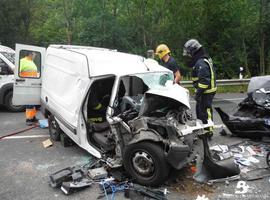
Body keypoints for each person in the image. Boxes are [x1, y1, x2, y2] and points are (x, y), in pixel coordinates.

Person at [183, 39, 216, 138]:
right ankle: (204, 129)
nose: (188, 54)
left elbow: (204, 80)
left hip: (206, 91)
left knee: (206, 111)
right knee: (201, 111)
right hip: (204, 91)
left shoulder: (201, 62)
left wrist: (198, 93)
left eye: (189, 52)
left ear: (193, 50)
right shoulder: (200, 59)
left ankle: (209, 131)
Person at [19, 51, 39, 126]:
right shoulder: (22, 61)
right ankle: (28, 119)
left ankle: (33, 117)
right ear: (30, 54)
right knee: (29, 103)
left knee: (33, 102)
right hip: (27, 84)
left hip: (33, 84)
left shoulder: (31, 61)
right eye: (34, 54)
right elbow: (17, 71)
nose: (35, 55)